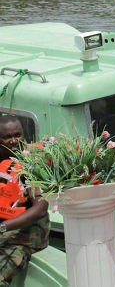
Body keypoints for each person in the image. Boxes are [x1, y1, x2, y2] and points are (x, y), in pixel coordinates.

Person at [0, 116, 49, 286]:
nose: (14, 141)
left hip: (27, 233)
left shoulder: (32, 164)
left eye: (18, 135)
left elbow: (41, 208)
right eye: (7, 137)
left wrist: (2, 227)